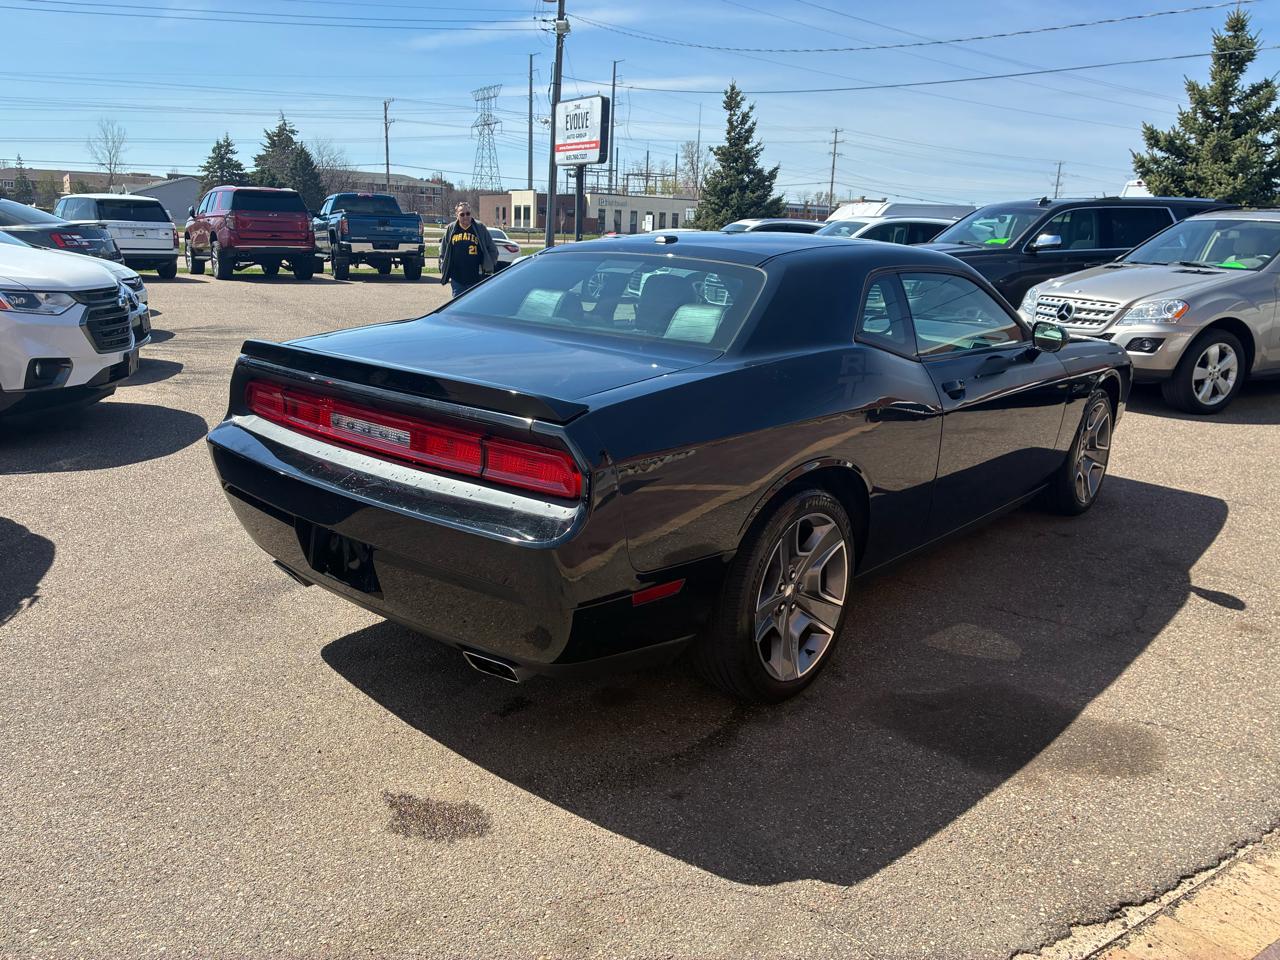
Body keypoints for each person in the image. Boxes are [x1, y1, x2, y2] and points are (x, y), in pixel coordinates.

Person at [439, 202, 499, 297]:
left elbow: (493, 250)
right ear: (457, 215)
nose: (465, 216)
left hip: (476, 277)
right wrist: (443, 265)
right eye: (462, 214)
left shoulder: (480, 228)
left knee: (474, 306)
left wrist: (488, 265)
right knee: (457, 305)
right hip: (457, 278)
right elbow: (443, 250)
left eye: (468, 213)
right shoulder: (451, 228)